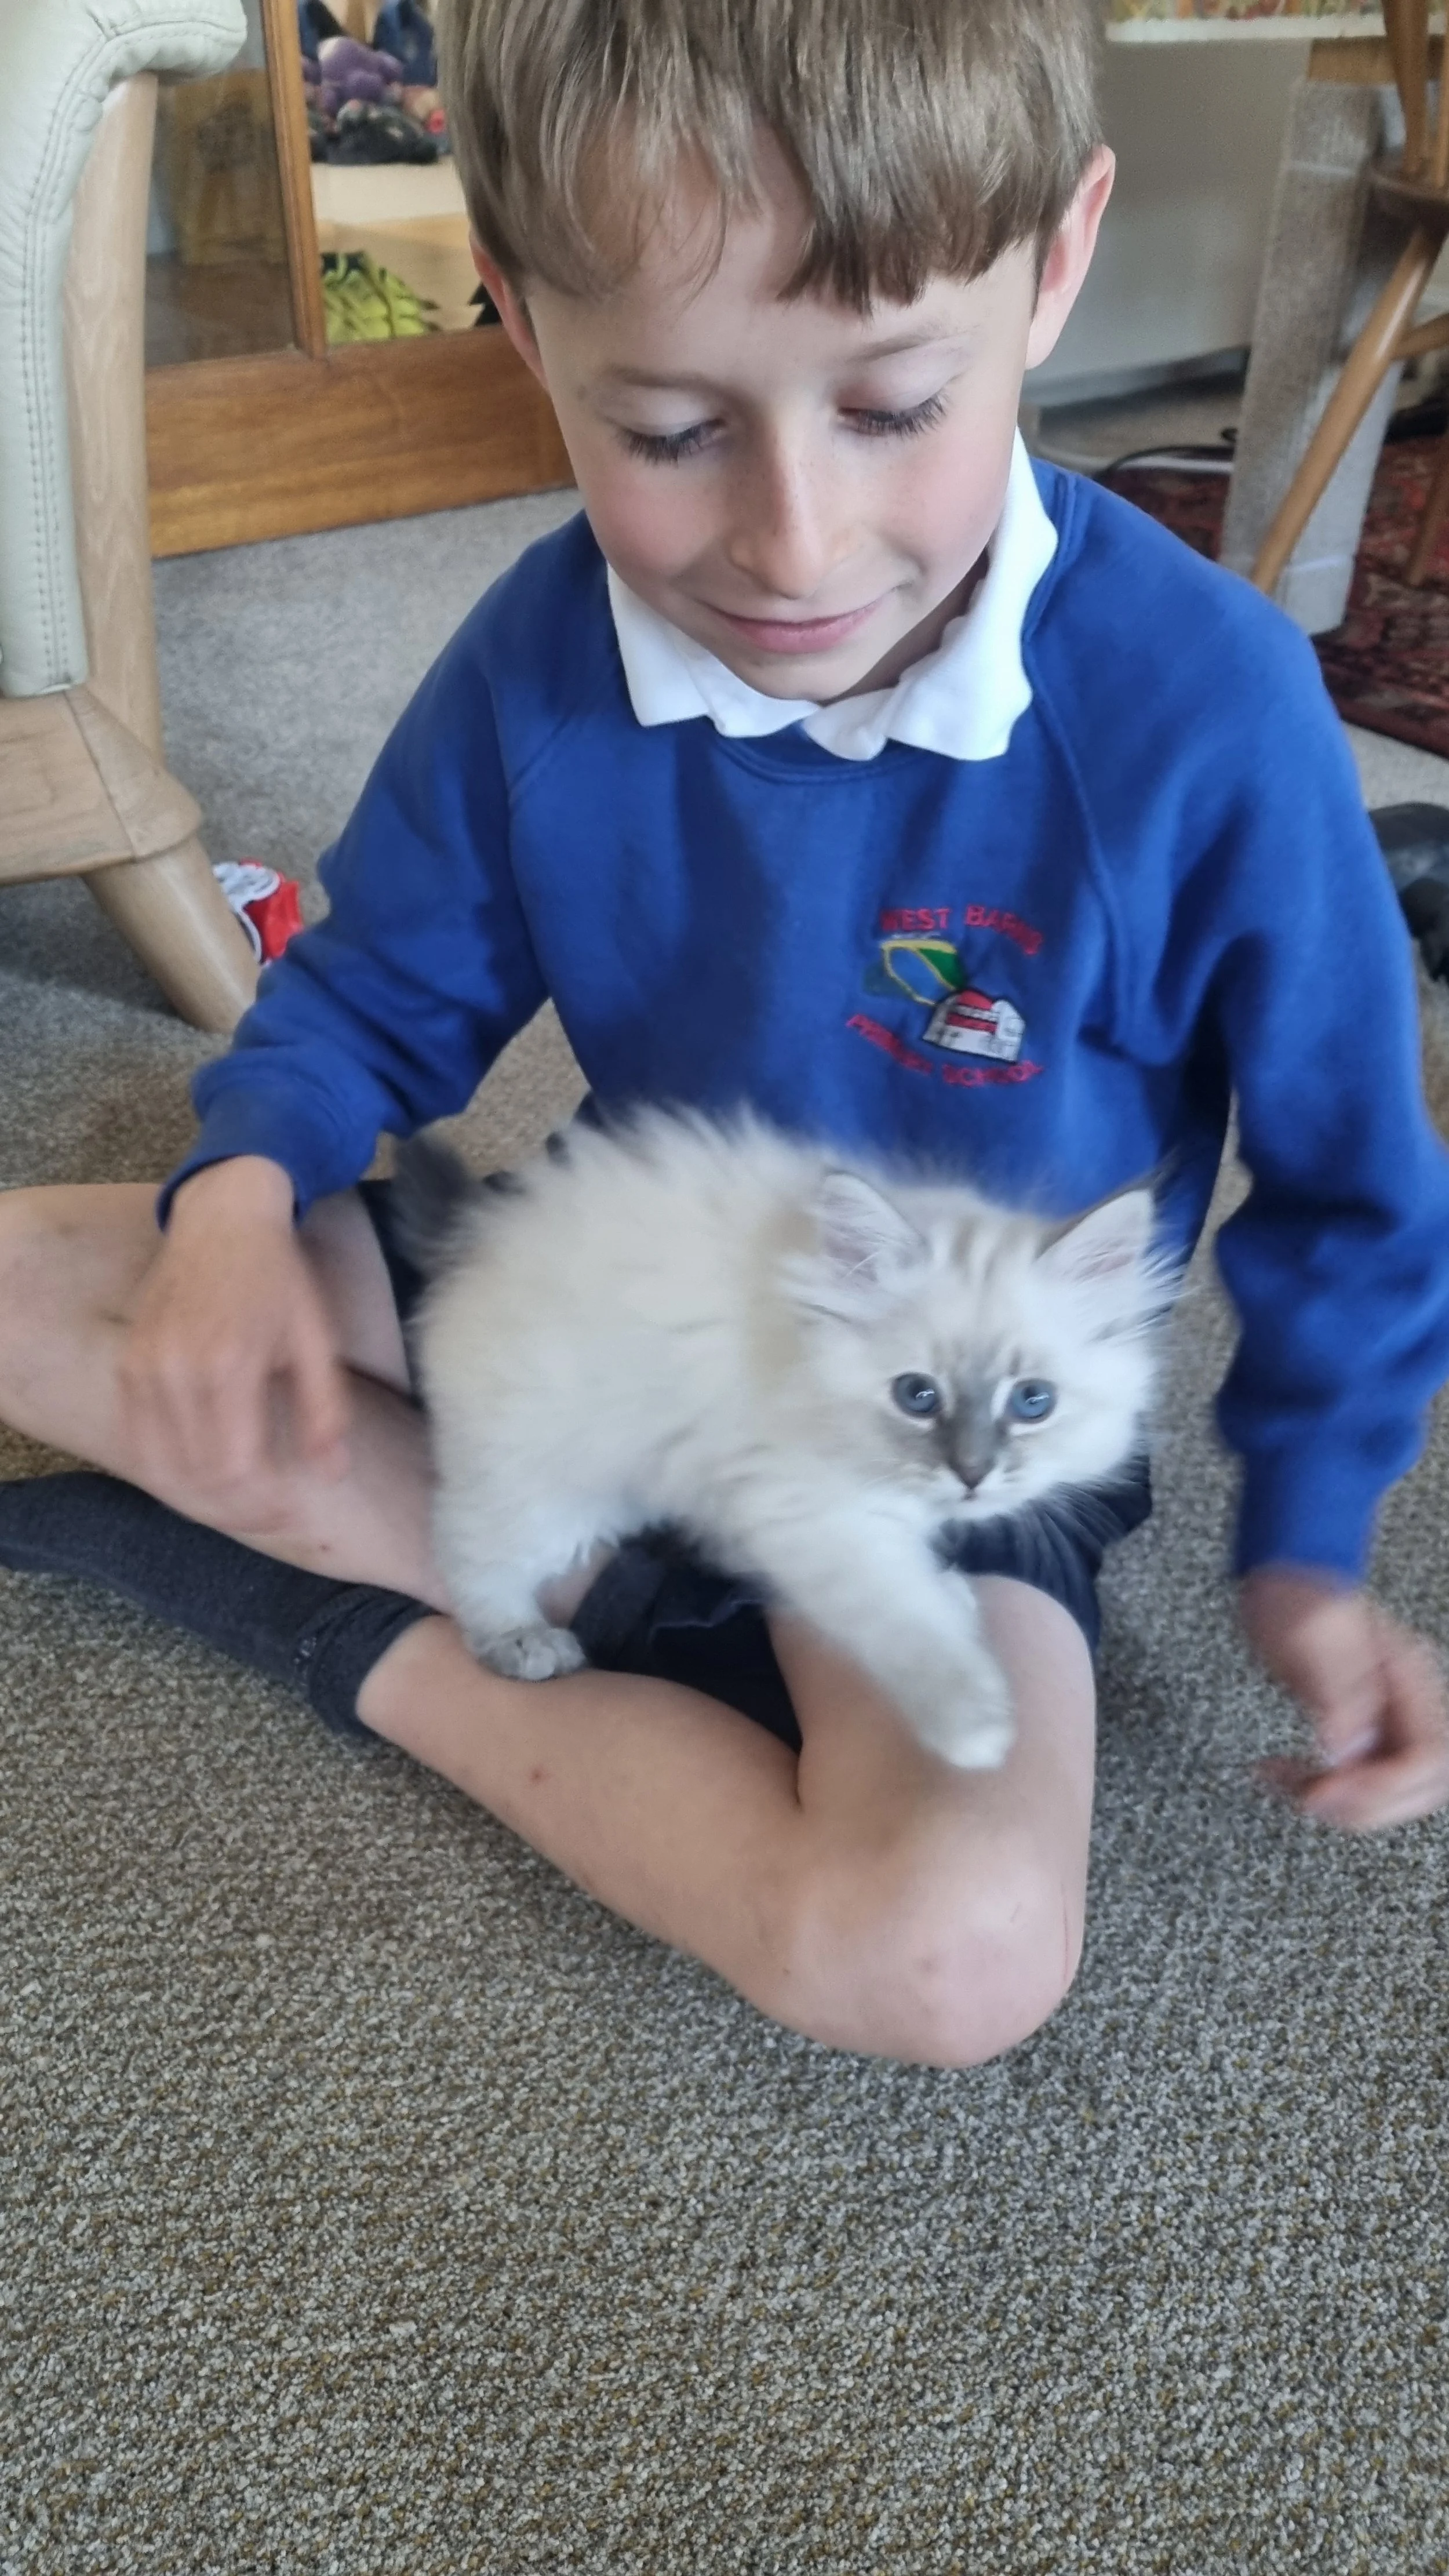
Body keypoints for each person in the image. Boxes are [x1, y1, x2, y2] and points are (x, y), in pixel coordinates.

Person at [2, 0, 1448, 2068]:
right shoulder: (535, 658)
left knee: (946, 1949)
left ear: (1052, 265)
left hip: (940, 1435)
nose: (790, 543)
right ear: (515, 322)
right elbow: (376, 990)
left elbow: (1351, 1184)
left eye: (889, 408)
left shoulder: (1202, 705)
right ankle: (594, 1584)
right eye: (673, 432)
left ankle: (359, 1625)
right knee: (48, 1285)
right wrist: (240, 1188)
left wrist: (1308, 1546)